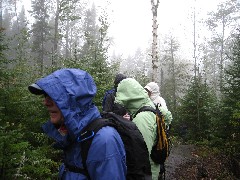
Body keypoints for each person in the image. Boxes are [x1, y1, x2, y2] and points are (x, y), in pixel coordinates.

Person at [28, 68, 127, 180]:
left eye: (52, 96)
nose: (45, 102)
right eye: (45, 96)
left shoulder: (103, 141)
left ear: (73, 100)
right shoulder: (73, 135)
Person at [115, 78, 160, 180]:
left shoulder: (142, 118)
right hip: (151, 170)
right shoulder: (148, 107)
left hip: (147, 174)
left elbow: (140, 156)